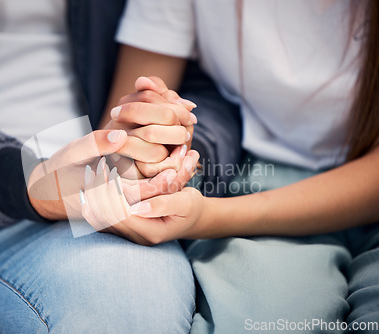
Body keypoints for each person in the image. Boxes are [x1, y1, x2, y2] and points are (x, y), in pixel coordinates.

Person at [0, 0, 243, 332]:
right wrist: (28, 181)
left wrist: (166, 158)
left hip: (83, 203)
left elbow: (219, 84)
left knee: (132, 317)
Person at [86, 0, 379, 333]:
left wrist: (207, 217)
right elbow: (116, 135)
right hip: (257, 176)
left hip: (255, 203)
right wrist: (145, 134)